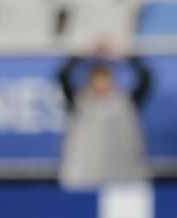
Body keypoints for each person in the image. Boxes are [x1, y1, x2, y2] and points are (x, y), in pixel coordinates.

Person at [56, 46, 152, 189]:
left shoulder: (126, 101)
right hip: (84, 177)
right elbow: (62, 77)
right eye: (98, 79)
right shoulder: (78, 101)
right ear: (91, 81)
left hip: (123, 175)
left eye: (106, 79)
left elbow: (146, 79)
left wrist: (126, 56)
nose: (102, 84)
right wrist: (83, 55)